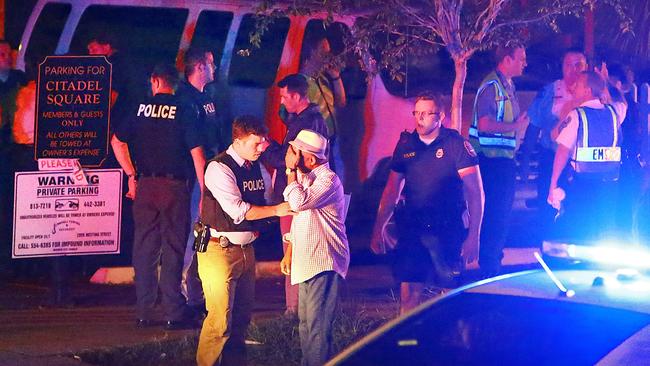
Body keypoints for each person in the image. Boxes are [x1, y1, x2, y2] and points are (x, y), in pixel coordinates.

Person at [111, 63, 207, 329]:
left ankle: (144, 311)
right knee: (174, 247)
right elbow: (197, 154)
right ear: (174, 84)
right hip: (174, 187)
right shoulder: (185, 109)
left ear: (154, 81)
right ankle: (173, 311)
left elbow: (117, 142)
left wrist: (132, 174)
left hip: (145, 186)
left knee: (144, 248)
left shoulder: (139, 108)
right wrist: (205, 192)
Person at [371, 93, 484, 314]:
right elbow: (392, 189)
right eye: (417, 113)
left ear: (440, 116)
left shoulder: (455, 144)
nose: (419, 118)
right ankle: (409, 345)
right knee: (409, 294)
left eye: (426, 113)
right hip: (414, 230)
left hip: (447, 230)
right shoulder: (406, 144)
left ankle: (450, 344)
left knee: (449, 295)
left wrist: (474, 235)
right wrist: (379, 227)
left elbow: (475, 192)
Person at [196, 115, 294, 366]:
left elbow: (269, 200)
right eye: (256, 144)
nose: (263, 148)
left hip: (246, 250)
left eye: (264, 143)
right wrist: (276, 211)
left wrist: (292, 173)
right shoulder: (219, 168)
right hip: (219, 250)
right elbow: (239, 210)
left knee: (241, 320)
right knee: (219, 322)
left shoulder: (256, 167)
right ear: (238, 141)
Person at [280, 129, 349, 366]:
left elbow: (298, 203)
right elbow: (302, 219)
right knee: (305, 323)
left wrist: (290, 171)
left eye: (297, 153)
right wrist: (290, 251)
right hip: (307, 261)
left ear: (310, 159)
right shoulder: (309, 178)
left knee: (317, 326)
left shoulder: (328, 180)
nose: (291, 156)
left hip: (323, 261)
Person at [263, 73, 328, 315]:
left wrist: (267, 146)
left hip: (296, 197)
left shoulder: (305, 124)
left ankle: (294, 311)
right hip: (301, 195)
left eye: (284, 97)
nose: (281, 102)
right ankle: (297, 310)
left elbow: (286, 159)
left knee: (292, 252)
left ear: (297, 96)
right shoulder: (308, 119)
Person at [469, 43, 528, 277]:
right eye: (521, 58)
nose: (525, 63)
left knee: (501, 213)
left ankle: (493, 260)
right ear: (506, 59)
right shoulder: (492, 86)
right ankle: (490, 265)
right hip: (491, 161)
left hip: (502, 160)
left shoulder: (507, 85)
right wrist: (515, 126)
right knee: (496, 213)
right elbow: (484, 124)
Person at [547, 70, 627, 242]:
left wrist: (553, 183)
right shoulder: (614, 113)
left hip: (583, 184)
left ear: (587, 90)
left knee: (582, 230)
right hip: (610, 185)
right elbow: (623, 103)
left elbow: (562, 150)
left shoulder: (577, 116)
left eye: (578, 85)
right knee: (605, 231)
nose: (574, 87)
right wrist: (606, 82)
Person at [177, 47, 222, 320]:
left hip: (210, 174)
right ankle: (186, 296)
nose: (215, 68)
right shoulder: (185, 99)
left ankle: (197, 293)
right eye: (211, 64)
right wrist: (204, 183)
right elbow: (194, 146)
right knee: (193, 234)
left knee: (206, 234)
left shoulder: (207, 97)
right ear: (200, 67)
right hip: (196, 177)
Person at [522, 49, 588, 207]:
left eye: (578, 65)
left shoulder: (593, 92)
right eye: (568, 65)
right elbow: (534, 126)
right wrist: (525, 160)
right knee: (548, 207)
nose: (573, 70)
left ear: (587, 66)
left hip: (583, 164)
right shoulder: (549, 92)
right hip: (551, 158)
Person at [299, 34, 347, 181]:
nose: (328, 57)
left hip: (332, 140)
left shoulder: (323, 78)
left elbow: (341, 102)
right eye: (323, 52)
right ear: (312, 52)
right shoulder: (302, 82)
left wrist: (336, 77)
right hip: (316, 146)